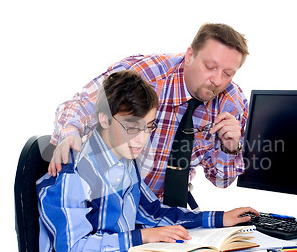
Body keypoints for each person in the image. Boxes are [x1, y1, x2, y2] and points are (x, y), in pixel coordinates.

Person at [37, 71, 258, 252]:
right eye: (132, 127)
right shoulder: (73, 174)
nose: (141, 140)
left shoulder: (125, 160)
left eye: (148, 127)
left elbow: (151, 211)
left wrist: (219, 218)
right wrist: (141, 237)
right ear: (104, 119)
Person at [49, 22, 249, 204]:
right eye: (210, 67)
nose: (217, 80)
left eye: (228, 73)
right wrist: (69, 133)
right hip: (115, 202)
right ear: (190, 56)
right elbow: (79, 105)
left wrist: (230, 147)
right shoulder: (144, 74)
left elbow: (221, 180)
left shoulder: (232, 104)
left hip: (167, 213)